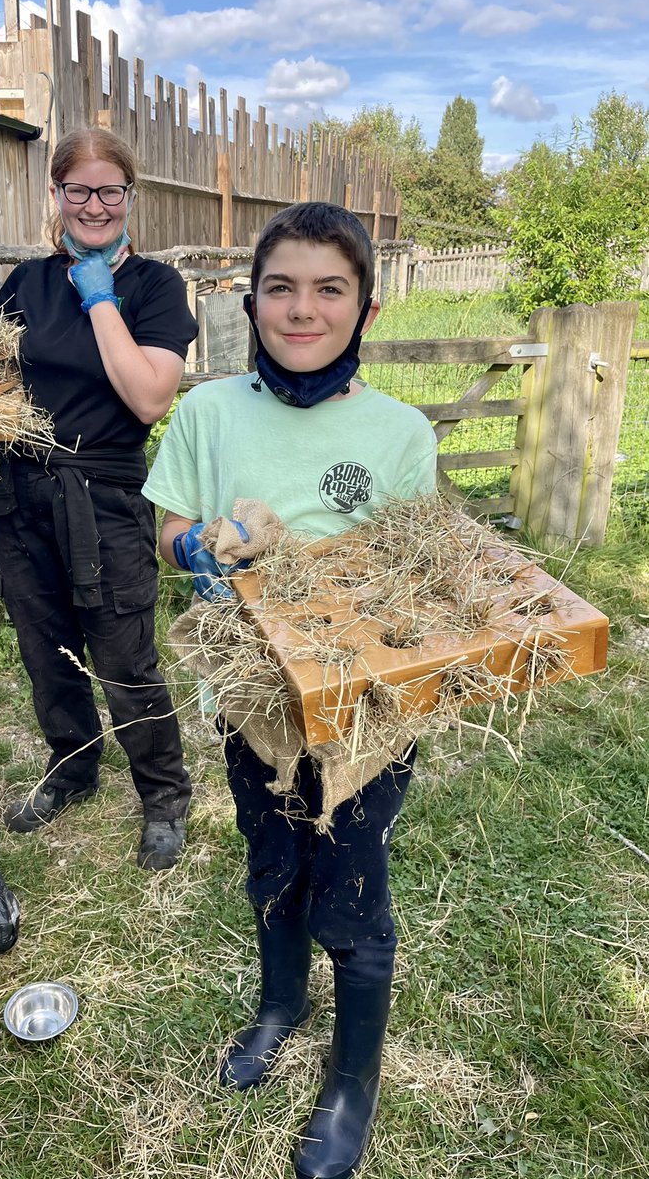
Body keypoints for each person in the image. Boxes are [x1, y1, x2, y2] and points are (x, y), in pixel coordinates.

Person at [143, 202, 438, 1177]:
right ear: (249, 299)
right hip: (249, 698)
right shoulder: (208, 410)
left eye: (328, 289)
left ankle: (352, 1081)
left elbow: (416, 576)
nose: (301, 310)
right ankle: (281, 1002)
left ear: (367, 309)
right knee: (272, 860)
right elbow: (169, 527)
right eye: (281, 288)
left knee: (350, 889)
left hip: (363, 713)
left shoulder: (399, 433)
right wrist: (203, 547)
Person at [0, 126, 197, 870]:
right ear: (57, 195)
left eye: (110, 190)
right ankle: (72, 769)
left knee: (124, 656)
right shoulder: (25, 283)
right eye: (79, 191)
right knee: (46, 650)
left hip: (102, 496)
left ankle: (164, 793)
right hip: (19, 492)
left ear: (130, 196)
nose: (95, 205)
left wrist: (99, 297)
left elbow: (146, 398)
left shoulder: (156, 290)